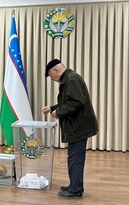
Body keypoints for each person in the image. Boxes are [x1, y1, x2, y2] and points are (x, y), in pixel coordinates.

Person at [42, 59, 98, 198]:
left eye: (50, 75)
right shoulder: (70, 78)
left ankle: (75, 190)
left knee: (75, 159)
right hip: (77, 126)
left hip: (78, 127)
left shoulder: (71, 79)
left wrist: (58, 113)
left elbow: (76, 103)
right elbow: (68, 101)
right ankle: (74, 185)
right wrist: (53, 108)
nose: (52, 79)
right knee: (74, 158)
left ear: (55, 70)